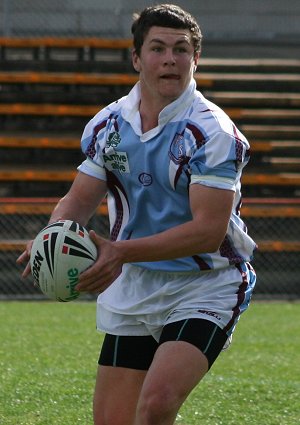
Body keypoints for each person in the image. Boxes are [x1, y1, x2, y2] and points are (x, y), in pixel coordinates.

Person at [18, 4, 257, 425]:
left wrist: (120, 252)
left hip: (204, 284)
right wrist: (53, 237)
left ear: (195, 60)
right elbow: (79, 200)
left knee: (155, 405)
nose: (170, 59)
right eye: (158, 48)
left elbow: (206, 231)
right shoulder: (108, 125)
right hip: (134, 286)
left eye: (181, 50)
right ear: (136, 58)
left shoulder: (213, 132)